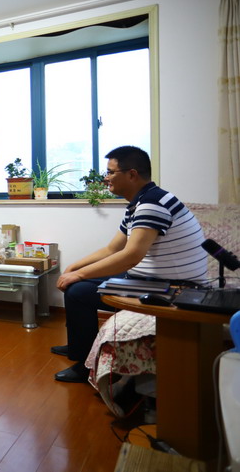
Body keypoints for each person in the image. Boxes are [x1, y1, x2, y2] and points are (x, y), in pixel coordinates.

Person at [52, 145, 208, 383]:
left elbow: (131, 255)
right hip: (152, 278)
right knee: (75, 283)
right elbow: (112, 248)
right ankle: (78, 347)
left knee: (78, 292)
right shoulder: (141, 201)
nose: (106, 178)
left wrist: (80, 275)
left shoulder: (152, 204)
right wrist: (74, 268)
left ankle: (84, 365)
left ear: (132, 174)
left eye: (110, 172)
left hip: (176, 287)